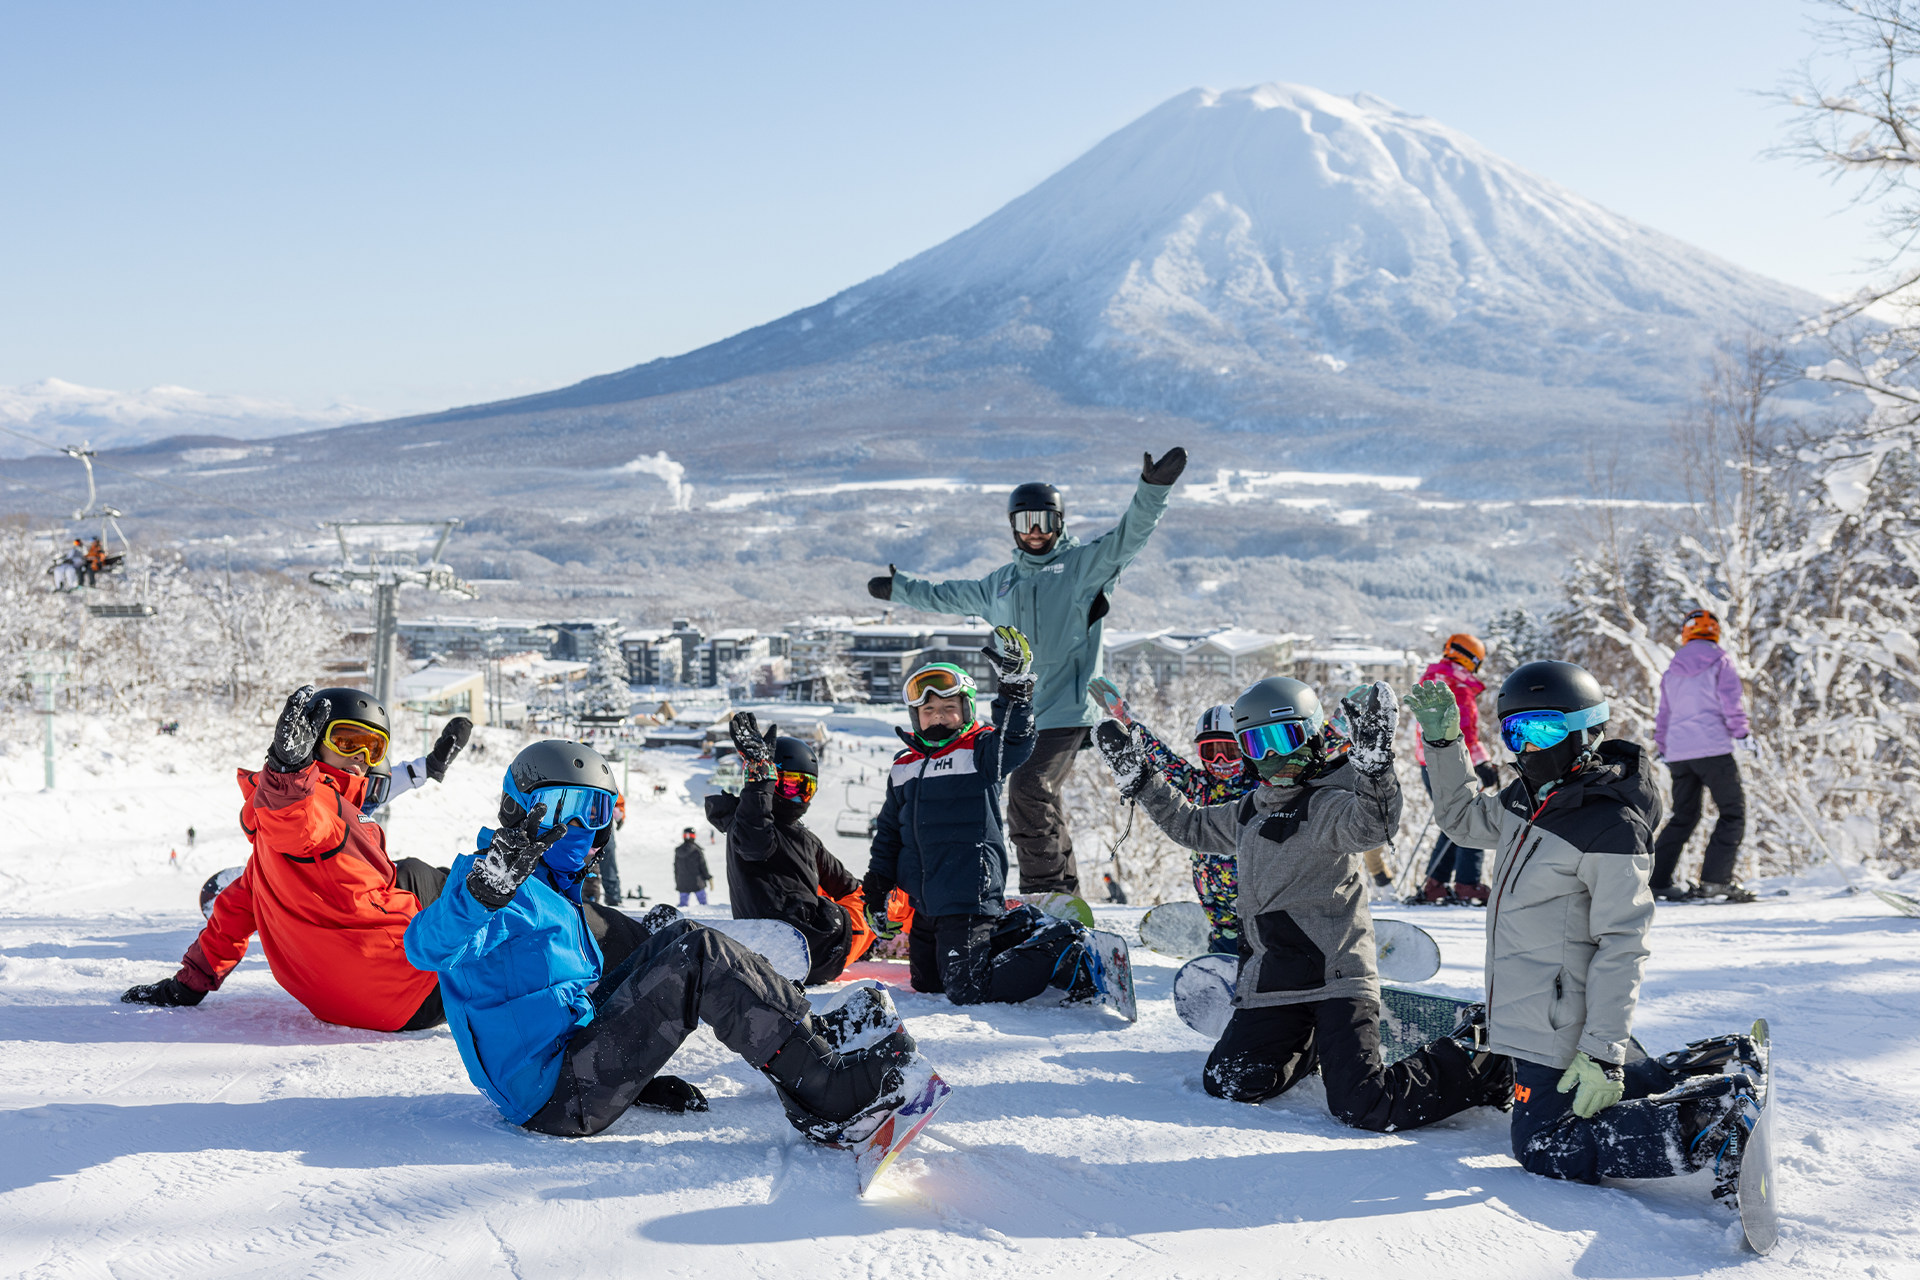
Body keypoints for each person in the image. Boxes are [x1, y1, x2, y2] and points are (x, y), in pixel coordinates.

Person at [405, 740, 918, 1139]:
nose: (582, 826)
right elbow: (425, 948)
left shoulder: (556, 893)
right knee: (698, 955)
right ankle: (828, 1093)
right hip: (551, 1095)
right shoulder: (489, 884)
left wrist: (634, 1080)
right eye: (563, 807)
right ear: (518, 810)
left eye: (596, 810)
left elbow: (572, 998)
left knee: (680, 936)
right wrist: (479, 895)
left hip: (566, 1064)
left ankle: (809, 1034)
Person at [1097, 675, 1504, 1129]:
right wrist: (1145, 782)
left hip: (1336, 978)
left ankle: (1482, 1060)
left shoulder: (1330, 804)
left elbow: (1373, 825)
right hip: (1272, 980)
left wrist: (1373, 769)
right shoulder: (1249, 809)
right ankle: (1312, 1043)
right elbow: (1190, 826)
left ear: (1310, 736)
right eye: (1256, 743)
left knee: (1364, 1104)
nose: (1272, 755)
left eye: (1282, 738)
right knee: (1229, 1081)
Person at [1410, 661, 1759, 1188]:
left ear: (1586, 730)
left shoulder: (1608, 823)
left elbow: (1624, 945)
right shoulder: (1526, 798)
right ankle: (1714, 1062)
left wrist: (1600, 1052)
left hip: (1559, 1025)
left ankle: (1709, 1123)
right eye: (1516, 731)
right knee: (1577, 1110)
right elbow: (1461, 821)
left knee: (1544, 1145)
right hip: (1536, 1013)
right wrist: (1443, 745)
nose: (1528, 746)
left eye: (1545, 729)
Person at [867, 448, 1188, 896]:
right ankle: (1065, 891)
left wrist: (1153, 490)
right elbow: (946, 595)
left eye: (1045, 522)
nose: (1035, 532)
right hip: (1020, 715)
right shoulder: (1000, 583)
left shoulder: (1082, 568)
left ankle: (1044, 893)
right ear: (1013, 527)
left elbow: (1129, 537)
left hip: (1068, 710)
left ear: (1059, 523)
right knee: (1037, 800)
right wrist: (900, 589)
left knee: (1028, 790)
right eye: (1025, 523)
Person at [119, 686, 447, 1031]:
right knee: (448, 886)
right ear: (315, 739)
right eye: (347, 741)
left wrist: (185, 986)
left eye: (374, 747)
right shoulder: (312, 806)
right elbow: (294, 820)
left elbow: (230, 916)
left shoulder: (268, 855)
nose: (361, 756)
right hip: (411, 996)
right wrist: (287, 772)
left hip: (336, 1003)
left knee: (408, 874)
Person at [864, 629, 1102, 1006]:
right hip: (926, 901)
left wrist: (1014, 691)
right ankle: (1019, 927)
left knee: (968, 990)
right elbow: (890, 832)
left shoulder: (980, 750)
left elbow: (1016, 741)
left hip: (967, 891)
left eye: (948, 709)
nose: (938, 717)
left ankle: (1064, 944)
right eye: (929, 711)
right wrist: (877, 888)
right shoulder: (904, 766)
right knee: (928, 984)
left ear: (966, 710)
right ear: (916, 717)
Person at [1091, 685, 1256, 955]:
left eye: (1230, 750)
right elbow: (1164, 760)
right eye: (1211, 751)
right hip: (1216, 908)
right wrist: (1127, 722)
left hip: (1255, 911)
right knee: (1224, 964)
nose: (1221, 760)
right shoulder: (1201, 785)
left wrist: (1336, 732)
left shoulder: (1259, 788)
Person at [708, 715, 863, 985]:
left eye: (805, 789)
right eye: (788, 786)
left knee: (849, 890)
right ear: (771, 784)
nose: (796, 798)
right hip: (815, 951)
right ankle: (888, 930)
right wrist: (759, 779)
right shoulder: (749, 830)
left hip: (803, 947)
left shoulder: (804, 838)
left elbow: (846, 884)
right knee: (884, 901)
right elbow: (754, 840)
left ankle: (882, 928)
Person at [1651, 610, 1755, 903]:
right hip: (1713, 749)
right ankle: (1715, 881)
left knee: (1684, 816)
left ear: (1686, 633)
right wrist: (1742, 734)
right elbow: (1730, 702)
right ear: (1715, 633)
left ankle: (1656, 881)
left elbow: (1665, 713)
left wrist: (1662, 745)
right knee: (1732, 812)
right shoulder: (1720, 661)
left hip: (1678, 753)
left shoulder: (1672, 670)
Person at [1408, 633, 1497, 906]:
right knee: (1473, 817)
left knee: (1453, 819)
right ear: (1471, 659)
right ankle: (1467, 884)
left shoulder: (1433, 679)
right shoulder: (1456, 686)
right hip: (1455, 761)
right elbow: (1465, 732)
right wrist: (1482, 764)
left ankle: (1436, 883)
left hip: (1429, 761)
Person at [361, 715, 474, 825]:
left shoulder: (359, 800)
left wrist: (429, 766)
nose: (358, 757)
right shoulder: (352, 805)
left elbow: (377, 789)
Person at [675, 826, 711, 906]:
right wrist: (708, 877)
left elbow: (676, 868)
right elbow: (702, 866)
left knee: (683, 905)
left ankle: (680, 916)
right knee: (703, 904)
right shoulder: (696, 850)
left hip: (682, 882)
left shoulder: (678, 850)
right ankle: (705, 917)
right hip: (697, 881)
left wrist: (677, 881)